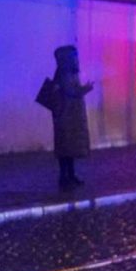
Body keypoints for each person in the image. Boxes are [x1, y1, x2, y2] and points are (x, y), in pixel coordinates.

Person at [51, 45, 94, 190]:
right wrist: (86, 88)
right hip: (64, 117)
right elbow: (71, 91)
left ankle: (71, 174)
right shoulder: (64, 74)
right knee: (65, 147)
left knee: (70, 147)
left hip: (71, 116)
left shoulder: (69, 72)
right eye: (74, 56)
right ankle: (64, 176)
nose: (77, 59)